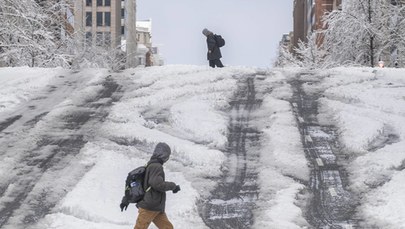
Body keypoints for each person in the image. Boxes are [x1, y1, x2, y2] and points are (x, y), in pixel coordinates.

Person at [121, 142, 181, 229]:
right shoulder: (156, 166)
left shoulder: (150, 165)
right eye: (167, 155)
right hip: (150, 206)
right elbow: (157, 184)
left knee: (168, 227)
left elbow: (141, 183)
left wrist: (125, 200)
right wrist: (173, 186)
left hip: (156, 207)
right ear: (164, 154)